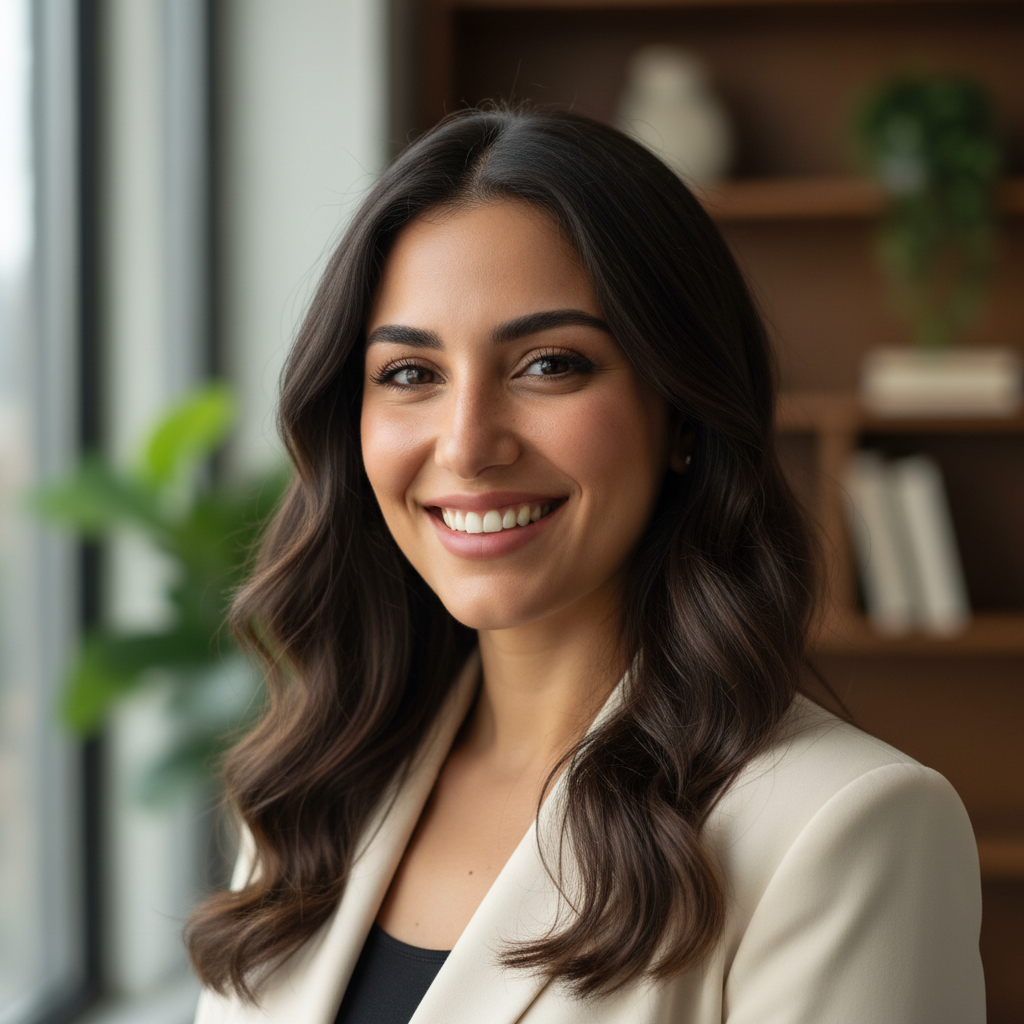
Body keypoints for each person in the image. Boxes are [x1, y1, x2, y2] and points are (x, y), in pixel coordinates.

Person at [187, 106, 985, 1024]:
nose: (467, 445)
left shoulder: (844, 827)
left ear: (681, 413)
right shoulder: (314, 794)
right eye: (410, 373)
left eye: (550, 364)